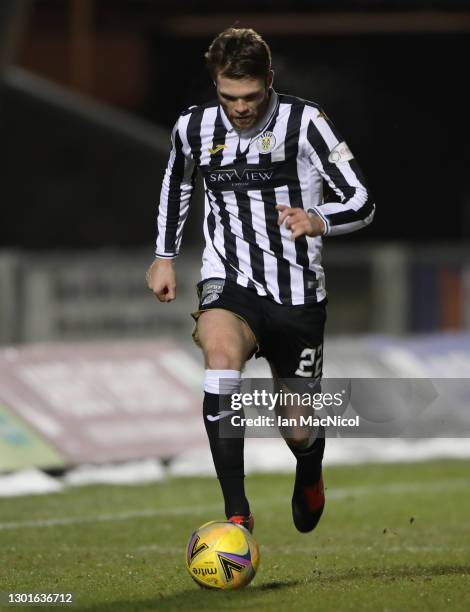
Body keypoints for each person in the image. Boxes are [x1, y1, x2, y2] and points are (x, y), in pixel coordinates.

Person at [147, 28, 374, 534]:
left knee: (298, 428)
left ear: (269, 81)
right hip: (229, 279)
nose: (241, 108)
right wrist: (164, 255)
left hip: (297, 294)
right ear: (216, 85)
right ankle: (236, 515)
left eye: (251, 97)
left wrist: (318, 218)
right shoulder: (194, 126)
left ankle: (310, 470)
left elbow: (362, 200)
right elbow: (177, 182)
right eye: (230, 97)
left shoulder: (307, 122)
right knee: (221, 359)